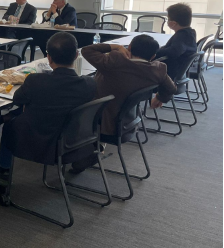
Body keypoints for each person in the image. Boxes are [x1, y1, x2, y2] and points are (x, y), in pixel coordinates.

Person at [0, 32, 96, 179]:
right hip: (73, 138)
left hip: (42, 137)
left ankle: (4, 168)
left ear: (49, 57)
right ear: (76, 55)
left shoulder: (35, 81)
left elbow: (17, 100)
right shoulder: (89, 83)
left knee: (11, 123)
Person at [68, 35, 178, 173]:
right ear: (153, 56)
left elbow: (87, 50)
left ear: (129, 47)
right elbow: (171, 88)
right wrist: (160, 97)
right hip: (128, 122)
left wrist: (116, 47)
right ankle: (94, 148)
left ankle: (83, 149)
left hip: (101, 123)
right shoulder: (158, 69)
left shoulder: (115, 61)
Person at [156, 3, 197, 79]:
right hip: (179, 70)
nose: (167, 21)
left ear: (173, 23)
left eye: (168, 19)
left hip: (170, 72)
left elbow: (175, 51)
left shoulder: (181, 36)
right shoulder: (190, 32)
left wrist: (157, 50)